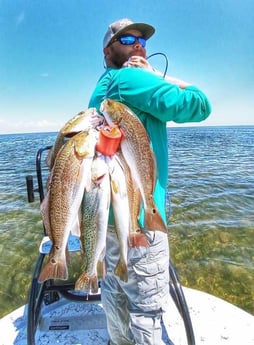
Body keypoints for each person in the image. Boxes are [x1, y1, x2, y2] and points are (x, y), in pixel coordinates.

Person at [88, 18, 211, 345]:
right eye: (127, 38)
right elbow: (199, 105)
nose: (138, 44)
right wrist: (157, 75)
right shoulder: (130, 79)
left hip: (110, 217)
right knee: (145, 306)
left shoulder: (104, 86)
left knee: (115, 292)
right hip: (140, 219)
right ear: (109, 50)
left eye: (142, 39)